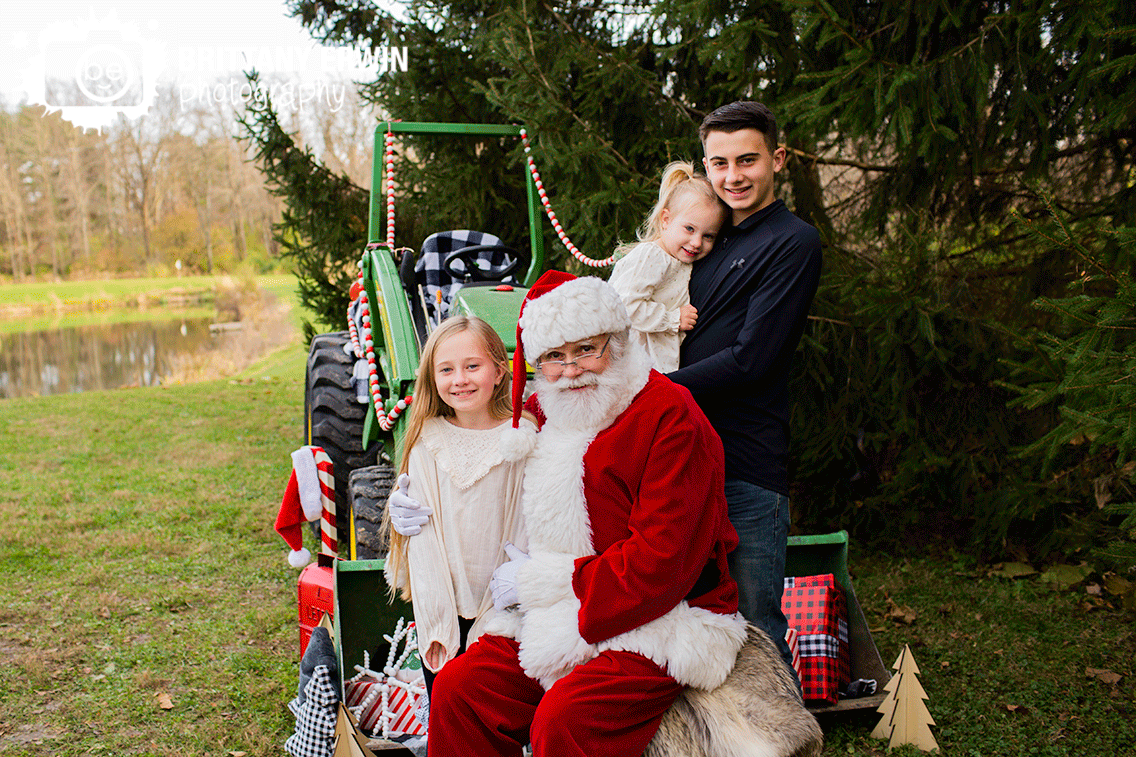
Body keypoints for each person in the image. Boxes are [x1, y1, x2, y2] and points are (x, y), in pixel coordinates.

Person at [426, 271, 746, 757]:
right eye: (554, 357)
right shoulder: (545, 409)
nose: (572, 370)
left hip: (662, 618)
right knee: (461, 687)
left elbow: (664, 561)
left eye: (586, 350)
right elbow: (482, 459)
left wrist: (549, 582)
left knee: (566, 718)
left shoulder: (669, 414)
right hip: (559, 615)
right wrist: (418, 496)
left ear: (616, 342)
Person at [667, 101, 823, 672]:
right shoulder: (702, 238)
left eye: (747, 160)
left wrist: (654, 391)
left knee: (755, 617)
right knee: (685, 610)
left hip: (747, 461)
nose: (732, 176)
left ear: (776, 160)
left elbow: (752, 359)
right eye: (718, 163)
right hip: (678, 456)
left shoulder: (792, 242)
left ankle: (779, 734)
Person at [383, 315, 536, 694]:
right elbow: (424, 537)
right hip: (445, 610)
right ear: (432, 378)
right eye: (446, 370)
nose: (460, 379)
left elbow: (523, 525)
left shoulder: (521, 437)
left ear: (500, 371)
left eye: (473, 366)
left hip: (505, 610)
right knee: (447, 710)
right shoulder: (428, 439)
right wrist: (439, 625)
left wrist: (499, 615)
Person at [608, 161, 728, 372]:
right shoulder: (653, 255)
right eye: (689, 228)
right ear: (666, 220)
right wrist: (674, 319)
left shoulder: (679, 259)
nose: (697, 242)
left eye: (708, 236)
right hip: (632, 364)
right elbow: (625, 306)